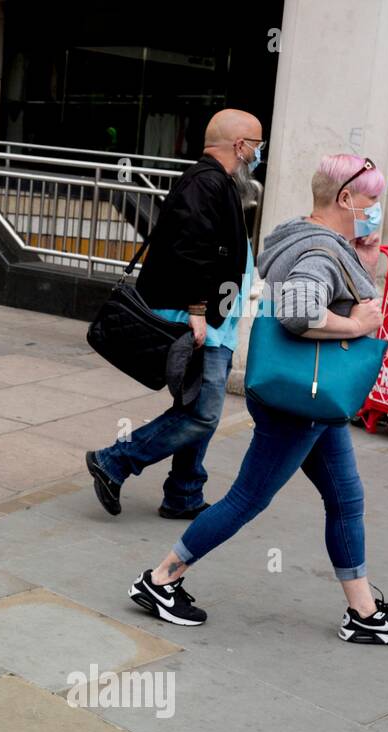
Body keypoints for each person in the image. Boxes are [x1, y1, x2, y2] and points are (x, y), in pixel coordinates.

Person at [127, 153, 388, 645]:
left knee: (346, 498)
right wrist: (357, 325)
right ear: (346, 198)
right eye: (372, 200)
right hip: (300, 401)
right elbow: (297, 310)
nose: (377, 209)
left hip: (312, 399)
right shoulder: (318, 251)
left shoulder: (309, 239)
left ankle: (364, 613)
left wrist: (365, 258)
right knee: (248, 499)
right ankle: (161, 578)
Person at [87, 109, 262, 520]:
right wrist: (199, 311)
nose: (258, 153)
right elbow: (191, 249)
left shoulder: (216, 182)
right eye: (256, 144)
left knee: (193, 408)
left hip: (215, 317)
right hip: (202, 323)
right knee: (202, 414)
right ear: (240, 146)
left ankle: (184, 492)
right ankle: (114, 460)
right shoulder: (207, 182)